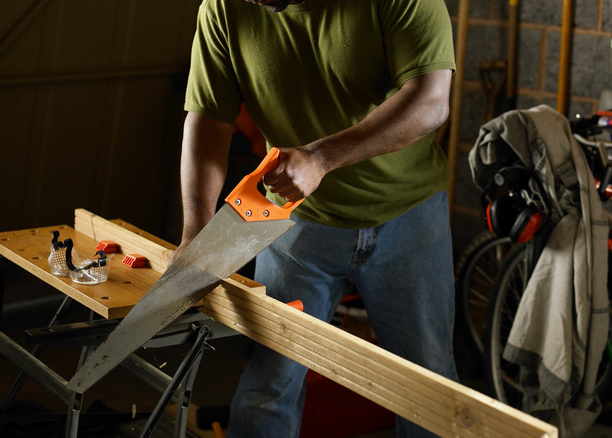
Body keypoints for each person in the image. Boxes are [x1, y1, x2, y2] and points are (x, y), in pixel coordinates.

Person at [175, 0, 458, 436]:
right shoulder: (222, 8)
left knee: (429, 390)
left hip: (408, 219)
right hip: (293, 226)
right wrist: (196, 235)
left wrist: (320, 158)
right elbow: (210, 119)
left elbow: (431, 100)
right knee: (270, 384)